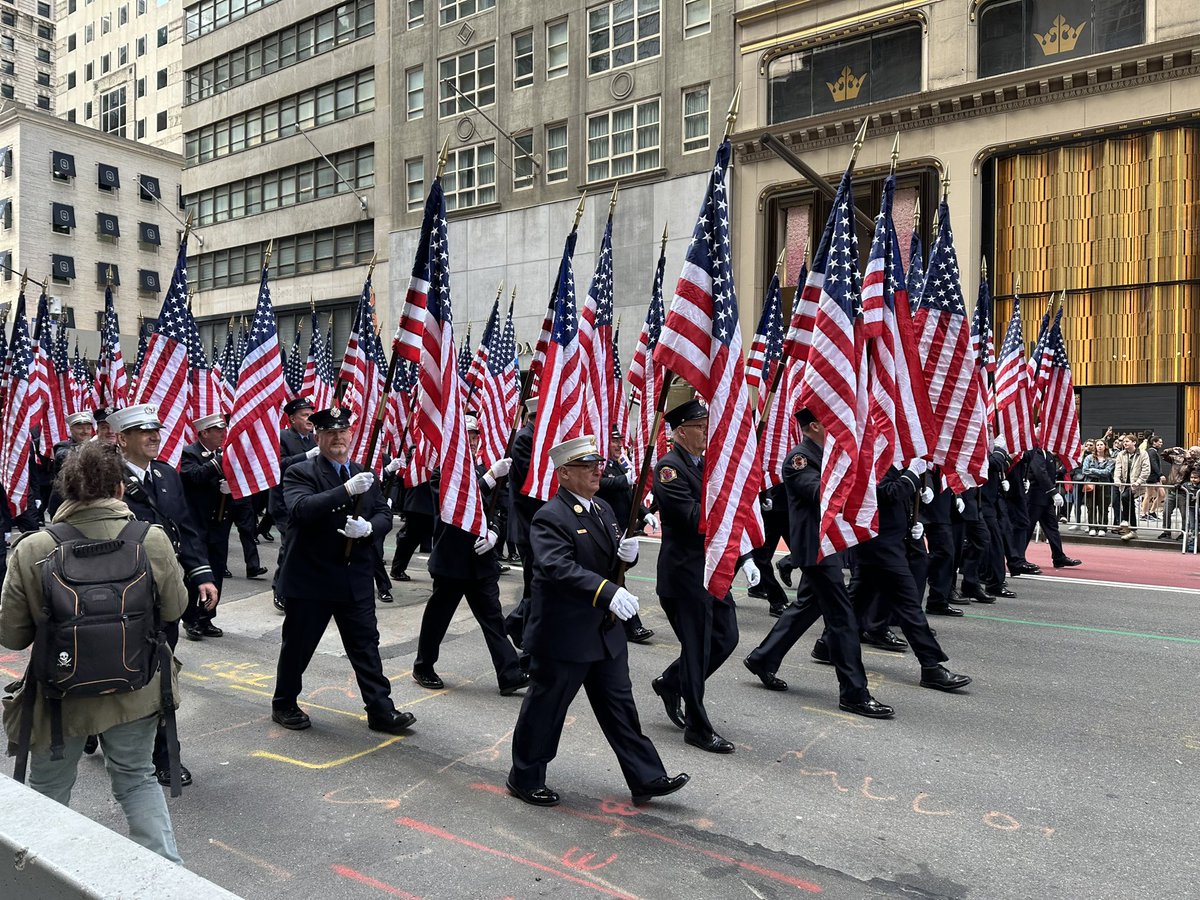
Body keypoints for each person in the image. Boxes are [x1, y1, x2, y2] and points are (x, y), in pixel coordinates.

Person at [1, 441, 186, 863]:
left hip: (59, 697)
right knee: (137, 781)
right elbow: (176, 610)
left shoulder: (33, 548)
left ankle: (41, 882)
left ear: (65, 491)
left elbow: (11, 636)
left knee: (48, 791)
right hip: (135, 688)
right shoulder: (150, 539)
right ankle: (167, 877)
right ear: (121, 489)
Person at [507, 435, 688, 808]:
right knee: (547, 710)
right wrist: (608, 591)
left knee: (621, 708)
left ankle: (646, 776)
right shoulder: (550, 517)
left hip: (604, 634)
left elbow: (609, 561)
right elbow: (559, 567)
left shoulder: (602, 509)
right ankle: (524, 777)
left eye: (597, 464)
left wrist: (629, 556)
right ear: (563, 473)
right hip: (566, 635)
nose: (596, 471)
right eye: (587, 466)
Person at [270, 406, 415, 735]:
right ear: (318, 437)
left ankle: (381, 710)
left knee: (365, 645)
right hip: (312, 577)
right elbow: (300, 509)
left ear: (350, 435)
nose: (338, 438)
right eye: (330, 433)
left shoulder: (363, 472)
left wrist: (368, 529)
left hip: (354, 578)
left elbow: (383, 514)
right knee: (298, 646)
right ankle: (284, 703)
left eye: (343, 432)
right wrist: (345, 491)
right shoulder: (302, 472)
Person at [742, 408, 894, 719]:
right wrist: (853, 478)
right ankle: (854, 692)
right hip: (816, 548)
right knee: (842, 619)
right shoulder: (800, 458)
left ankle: (763, 658)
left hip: (827, 545)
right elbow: (817, 493)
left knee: (806, 607)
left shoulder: (824, 455)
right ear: (814, 425)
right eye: (829, 420)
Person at [112, 403, 216, 787]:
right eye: (143, 431)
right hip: (120, 592)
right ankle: (97, 724)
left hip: (164, 592)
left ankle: (164, 756)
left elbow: (186, 528)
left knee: (160, 674)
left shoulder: (168, 475)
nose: (154, 436)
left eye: (155, 429)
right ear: (122, 439)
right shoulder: (107, 478)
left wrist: (202, 574)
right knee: (114, 665)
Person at [652, 399, 757, 752]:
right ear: (682, 432)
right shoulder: (670, 468)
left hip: (712, 571)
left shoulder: (705, 464)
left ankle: (671, 682)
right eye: (700, 427)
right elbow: (691, 516)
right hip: (685, 575)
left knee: (726, 638)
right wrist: (726, 504)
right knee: (697, 648)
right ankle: (697, 726)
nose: (707, 432)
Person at [411, 416, 528, 695]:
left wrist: (495, 533)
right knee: (438, 618)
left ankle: (509, 673)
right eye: (468, 435)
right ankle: (423, 666)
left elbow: (499, 508)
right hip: (452, 560)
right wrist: (488, 479)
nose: (472, 440)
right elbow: (455, 504)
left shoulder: (487, 468)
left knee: (493, 618)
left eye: (475, 435)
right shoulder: (444, 472)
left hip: (481, 560)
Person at [180, 413, 266, 638]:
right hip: (197, 524)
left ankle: (207, 617)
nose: (222, 434)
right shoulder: (190, 453)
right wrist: (218, 463)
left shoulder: (225, 454)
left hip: (220, 524)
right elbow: (194, 477)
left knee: (216, 571)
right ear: (204, 432)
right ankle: (190, 619)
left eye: (223, 430)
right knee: (196, 574)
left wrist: (233, 490)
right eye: (217, 430)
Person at [597, 429, 656, 643]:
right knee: (615, 576)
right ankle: (633, 625)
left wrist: (646, 513)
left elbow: (630, 496)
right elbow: (600, 486)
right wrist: (624, 479)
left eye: (620, 440)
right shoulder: (601, 468)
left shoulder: (620, 465)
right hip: (604, 530)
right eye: (614, 440)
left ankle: (617, 620)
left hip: (621, 530)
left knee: (614, 575)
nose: (619, 445)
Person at [268, 397, 320, 611]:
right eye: (305, 415)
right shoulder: (282, 437)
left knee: (304, 547)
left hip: (306, 502)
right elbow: (276, 465)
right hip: (283, 502)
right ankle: (279, 590)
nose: (310, 419)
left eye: (311, 415)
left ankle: (299, 588)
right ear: (292, 418)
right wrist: (305, 456)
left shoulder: (313, 439)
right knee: (288, 547)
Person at [1025, 447, 1081, 567]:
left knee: (1052, 527)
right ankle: (1017, 558)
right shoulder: (1036, 452)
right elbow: (1040, 473)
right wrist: (1053, 492)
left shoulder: (1048, 454)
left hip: (1046, 499)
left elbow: (1050, 473)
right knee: (1027, 528)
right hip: (1035, 497)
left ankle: (1058, 557)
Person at [1113, 434, 1149, 540]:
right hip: (1124, 484)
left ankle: (1125, 520)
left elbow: (1146, 469)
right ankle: (1132, 528)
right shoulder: (1121, 454)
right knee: (1129, 503)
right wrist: (1117, 479)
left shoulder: (1143, 454)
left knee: (1125, 497)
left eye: (1127, 441)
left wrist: (1139, 481)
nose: (1125, 443)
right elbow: (1118, 468)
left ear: (1134, 442)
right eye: (1124, 442)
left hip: (1136, 484)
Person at [1082, 438, 1115, 535]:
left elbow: (1107, 472)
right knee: (1090, 506)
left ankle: (1102, 527)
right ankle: (1092, 527)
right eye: (1098, 445)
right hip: (1090, 484)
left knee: (1103, 507)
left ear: (1105, 446)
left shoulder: (1110, 460)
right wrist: (1097, 472)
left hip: (1104, 485)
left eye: (1101, 445)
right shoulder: (1089, 458)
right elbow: (1085, 470)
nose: (1099, 446)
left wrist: (1092, 470)